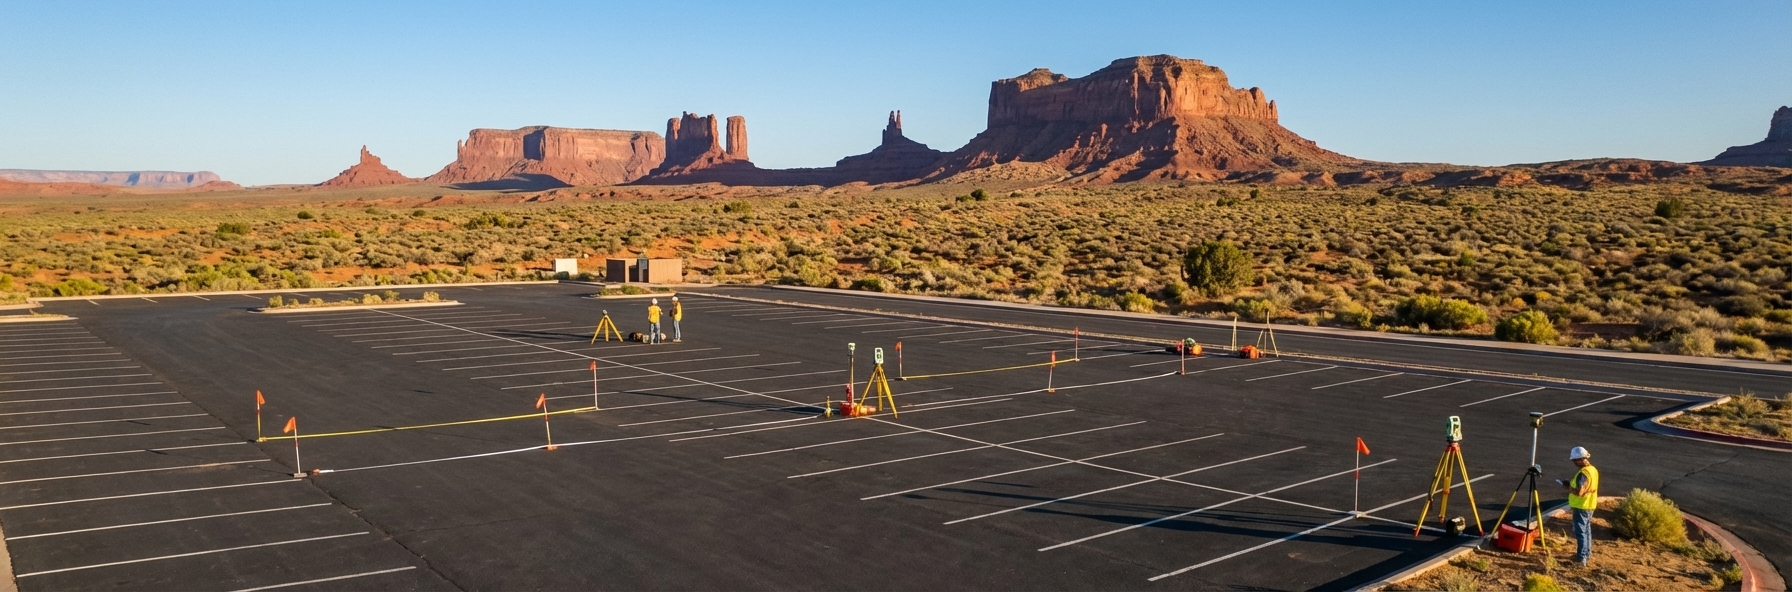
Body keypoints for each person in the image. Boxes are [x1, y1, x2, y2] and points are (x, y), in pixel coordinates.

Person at [1559, 446, 1600, 566]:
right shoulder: (1593, 469)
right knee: (1587, 530)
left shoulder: (1583, 473)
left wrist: (1567, 488)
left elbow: (1579, 492)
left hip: (1581, 506)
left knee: (1580, 531)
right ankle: (1586, 553)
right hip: (1590, 504)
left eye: (1575, 460)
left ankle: (1581, 558)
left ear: (1581, 459)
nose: (1574, 463)